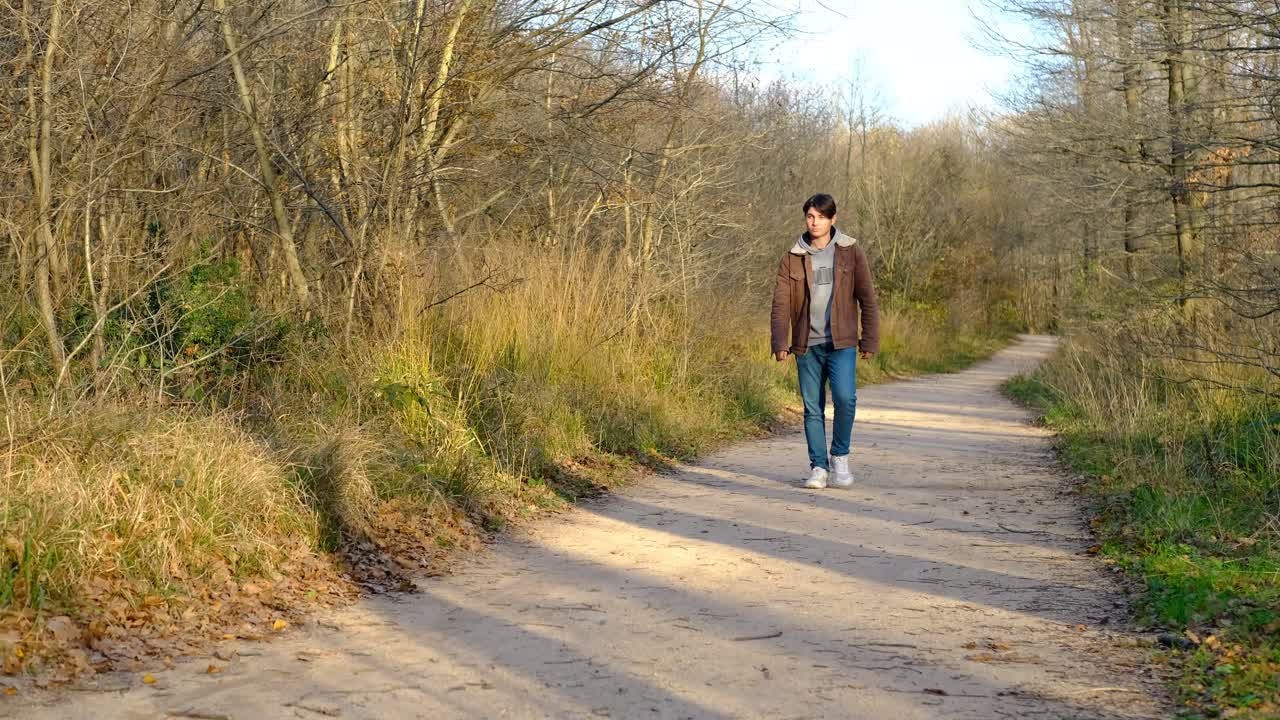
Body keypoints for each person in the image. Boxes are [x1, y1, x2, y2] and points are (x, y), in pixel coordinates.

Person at [770, 194, 880, 489]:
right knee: (812, 408)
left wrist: (869, 339)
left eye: (820, 217)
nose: (814, 222)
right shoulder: (792, 257)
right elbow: (780, 303)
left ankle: (839, 457)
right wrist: (780, 341)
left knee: (845, 399)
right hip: (806, 344)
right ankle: (818, 467)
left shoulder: (850, 252)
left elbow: (868, 298)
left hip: (841, 343)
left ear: (833, 219)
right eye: (810, 216)